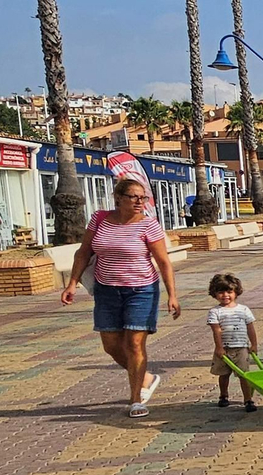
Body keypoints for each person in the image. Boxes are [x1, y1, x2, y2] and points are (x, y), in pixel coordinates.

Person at [60, 177, 181, 418]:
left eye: (143, 197)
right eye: (133, 197)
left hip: (141, 290)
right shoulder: (100, 219)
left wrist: (172, 295)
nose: (139, 201)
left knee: (135, 344)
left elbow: (163, 262)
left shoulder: (149, 225)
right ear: (118, 198)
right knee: (111, 345)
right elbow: (84, 252)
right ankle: (145, 376)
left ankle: (136, 399)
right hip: (107, 290)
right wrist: (72, 283)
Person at [207, 273, 258, 412]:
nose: (225, 295)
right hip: (224, 349)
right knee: (224, 374)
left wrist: (253, 345)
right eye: (221, 292)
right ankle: (223, 395)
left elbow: (250, 328)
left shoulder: (244, 310)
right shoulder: (215, 312)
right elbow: (216, 330)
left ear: (236, 292)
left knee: (244, 375)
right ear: (215, 293)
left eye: (229, 291)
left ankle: (248, 399)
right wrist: (219, 347)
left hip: (241, 348)